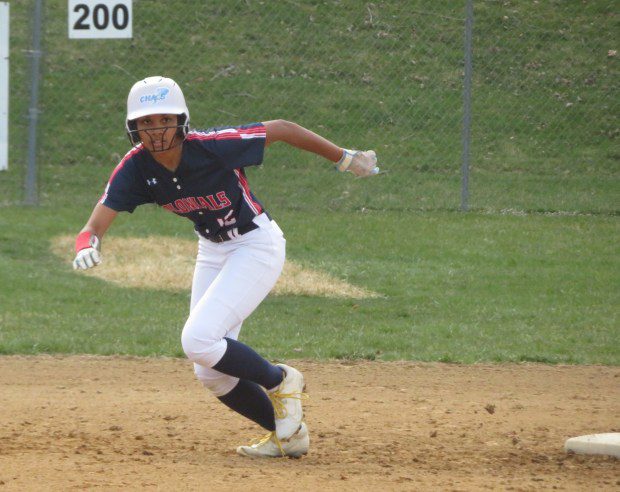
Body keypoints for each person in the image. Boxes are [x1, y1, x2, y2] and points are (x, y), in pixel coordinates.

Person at [72, 76, 380, 458]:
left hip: (256, 245)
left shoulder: (213, 148)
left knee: (197, 339)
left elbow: (282, 129)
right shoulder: (136, 167)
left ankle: (281, 380)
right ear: (133, 128)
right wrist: (87, 244)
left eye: (164, 120)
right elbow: (92, 227)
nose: (156, 130)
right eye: (146, 122)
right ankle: (287, 434)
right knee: (209, 371)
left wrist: (346, 159)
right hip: (213, 250)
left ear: (182, 120)